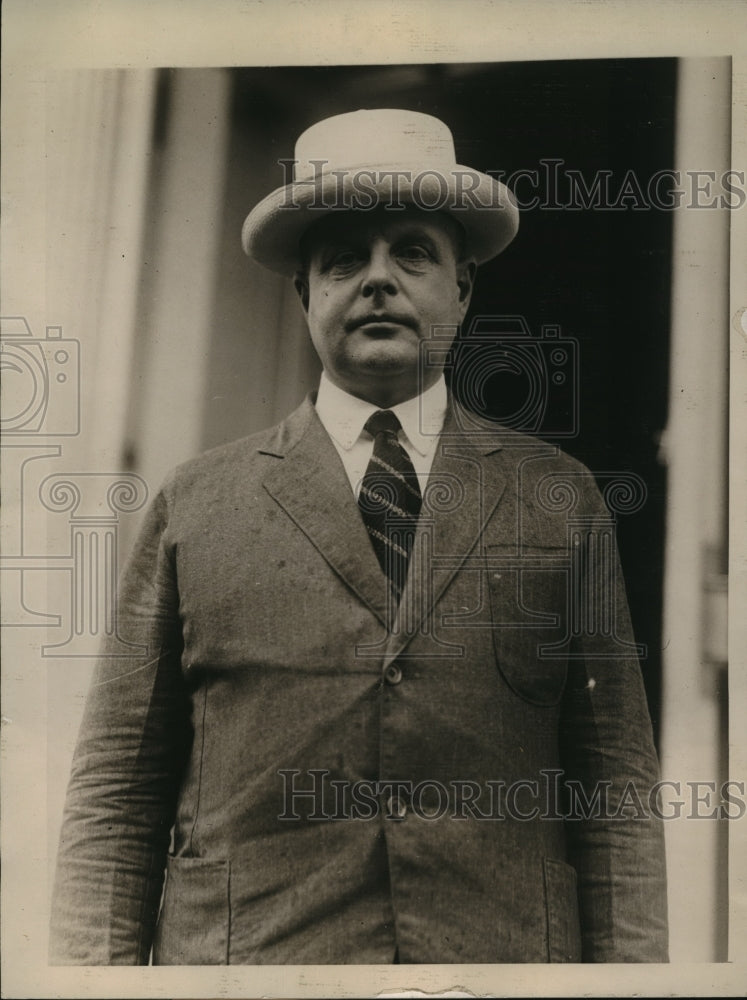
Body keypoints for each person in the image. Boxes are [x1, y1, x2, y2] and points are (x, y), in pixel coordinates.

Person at [49, 109, 668, 965]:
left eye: (412, 252)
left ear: (464, 287)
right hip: (255, 974)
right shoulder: (196, 503)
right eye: (344, 258)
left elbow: (616, 793)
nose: (378, 280)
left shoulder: (558, 500)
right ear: (305, 292)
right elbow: (117, 792)